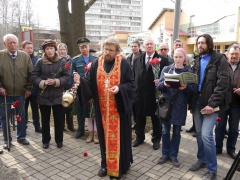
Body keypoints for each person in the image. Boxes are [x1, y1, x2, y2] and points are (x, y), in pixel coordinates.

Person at [73, 37, 135, 179]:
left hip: (118, 111)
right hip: (102, 110)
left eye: (111, 50)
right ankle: (104, 165)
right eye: (105, 49)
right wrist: (80, 80)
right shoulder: (97, 63)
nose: (107, 52)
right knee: (103, 139)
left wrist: (119, 88)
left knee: (119, 139)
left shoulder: (123, 64)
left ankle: (120, 166)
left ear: (117, 51)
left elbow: (132, 85)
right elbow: (89, 81)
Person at [189, 34, 229, 180]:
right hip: (197, 102)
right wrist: (191, 103)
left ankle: (212, 170)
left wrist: (212, 104)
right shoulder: (197, 60)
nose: (200, 45)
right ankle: (202, 159)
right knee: (199, 134)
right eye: (198, 43)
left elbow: (223, 84)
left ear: (209, 44)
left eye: (203, 43)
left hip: (212, 104)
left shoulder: (219, 59)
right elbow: (194, 84)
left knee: (206, 135)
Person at [157, 48, 193, 167]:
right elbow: (159, 87)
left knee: (176, 132)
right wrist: (164, 84)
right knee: (165, 131)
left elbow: (191, 90)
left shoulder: (188, 71)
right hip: (166, 105)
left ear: (184, 59)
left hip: (179, 106)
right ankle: (165, 154)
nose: (178, 59)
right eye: (176, 57)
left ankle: (173, 155)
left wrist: (186, 88)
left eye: (180, 57)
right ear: (173, 57)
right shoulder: (167, 69)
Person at [31, 40, 70, 149]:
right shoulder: (40, 62)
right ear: (44, 50)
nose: (49, 51)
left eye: (51, 48)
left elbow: (67, 76)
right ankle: (46, 140)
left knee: (59, 120)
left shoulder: (62, 61)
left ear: (55, 49)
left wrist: (56, 81)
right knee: (45, 120)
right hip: (44, 96)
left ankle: (59, 140)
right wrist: (42, 82)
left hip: (58, 96)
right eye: (47, 49)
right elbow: (34, 76)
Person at [132, 37, 168, 150]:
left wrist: (161, 81)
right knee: (139, 117)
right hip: (140, 94)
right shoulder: (137, 59)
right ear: (143, 46)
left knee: (155, 119)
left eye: (151, 44)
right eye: (147, 44)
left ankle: (156, 139)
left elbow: (167, 77)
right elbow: (134, 76)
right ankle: (139, 137)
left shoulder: (163, 60)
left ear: (154, 46)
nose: (149, 46)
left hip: (155, 95)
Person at [0, 34, 33, 149]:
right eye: (10, 43)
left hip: (20, 93)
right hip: (5, 94)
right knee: (5, 117)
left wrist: (28, 88)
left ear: (18, 43)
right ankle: (7, 140)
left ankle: (21, 137)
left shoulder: (25, 56)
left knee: (21, 116)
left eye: (14, 42)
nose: (13, 45)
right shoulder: (1, 55)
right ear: (5, 44)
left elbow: (30, 74)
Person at [215, 44, 240, 159]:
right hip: (223, 102)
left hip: (237, 103)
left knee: (234, 128)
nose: (234, 56)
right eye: (232, 54)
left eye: (237, 54)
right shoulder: (222, 65)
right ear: (227, 54)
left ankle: (231, 149)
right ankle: (218, 147)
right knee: (220, 126)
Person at [69, 37, 97, 139]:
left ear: (89, 47)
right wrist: (73, 90)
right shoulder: (75, 60)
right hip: (80, 90)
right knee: (80, 110)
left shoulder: (95, 60)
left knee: (92, 110)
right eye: (82, 47)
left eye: (85, 47)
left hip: (91, 90)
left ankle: (94, 132)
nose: (84, 49)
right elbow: (72, 75)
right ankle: (80, 130)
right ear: (79, 49)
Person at [22, 40, 42, 133]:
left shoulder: (37, 60)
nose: (30, 50)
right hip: (23, 90)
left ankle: (37, 126)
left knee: (35, 109)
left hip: (34, 90)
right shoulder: (20, 59)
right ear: (23, 49)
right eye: (28, 48)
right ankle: (23, 126)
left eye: (31, 48)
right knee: (24, 109)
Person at [57, 43, 75, 132]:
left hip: (69, 86)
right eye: (61, 49)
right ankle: (62, 125)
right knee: (61, 108)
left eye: (64, 49)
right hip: (60, 87)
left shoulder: (71, 60)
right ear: (58, 51)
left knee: (69, 107)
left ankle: (70, 125)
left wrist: (72, 86)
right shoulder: (57, 60)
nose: (63, 51)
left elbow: (72, 73)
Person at [126, 40, 142, 129]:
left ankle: (139, 123)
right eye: (132, 46)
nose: (133, 48)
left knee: (138, 106)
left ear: (139, 47)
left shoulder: (142, 57)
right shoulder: (128, 58)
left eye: (135, 46)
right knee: (132, 106)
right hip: (130, 86)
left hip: (139, 86)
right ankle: (135, 122)